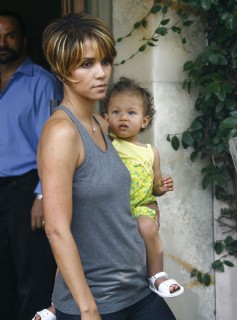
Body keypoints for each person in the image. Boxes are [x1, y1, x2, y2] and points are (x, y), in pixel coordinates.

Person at [35, 12, 177, 320]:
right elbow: (57, 229)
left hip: (137, 289)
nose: (101, 73)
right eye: (87, 64)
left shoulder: (102, 124)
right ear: (62, 69)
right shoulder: (61, 132)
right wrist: (87, 310)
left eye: (105, 61)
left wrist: (151, 203)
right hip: (98, 302)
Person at [0, 10, 62, 320]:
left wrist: (42, 195)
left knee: (31, 275)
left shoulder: (42, 82)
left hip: (26, 188)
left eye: (9, 35)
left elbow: (52, 145)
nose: (2, 42)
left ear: (24, 41)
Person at [103, 76, 184, 299]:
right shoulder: (108, 144)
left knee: (148, 226)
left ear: (145, 121)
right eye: (115, 112)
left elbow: (154, 186)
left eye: (131, 113)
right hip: (113, 209)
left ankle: (157, 274)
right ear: (106, 117)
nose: (122, 118)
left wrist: (162, 186)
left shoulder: (151, 152)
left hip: (139, 207)